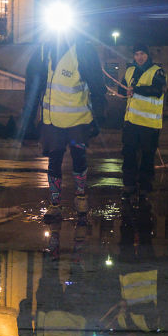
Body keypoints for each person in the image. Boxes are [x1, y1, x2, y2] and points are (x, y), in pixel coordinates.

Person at [23, 33, 107, 220]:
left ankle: (80, 196)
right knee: (53, 162)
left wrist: (98, 116)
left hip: (78, 119)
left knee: (79, 159)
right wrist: (28, 118)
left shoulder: (84, 50)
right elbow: (33, 85)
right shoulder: (44, 50)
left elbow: (97, 85)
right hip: (52, 121)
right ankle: (54, 205)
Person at [119, 43, 166, 201]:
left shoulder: (157, 71)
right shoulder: (130, 70)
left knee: (147, 157)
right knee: (129, 154)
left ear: (148, 55)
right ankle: (129, 185)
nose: (139, 57)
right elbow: (121, 88)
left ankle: (145, 187)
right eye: (137, 54)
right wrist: (124, 90)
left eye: (142, 54)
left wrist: (135, 89)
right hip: (131, 122)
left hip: (149, 125)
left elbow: (157, 91)